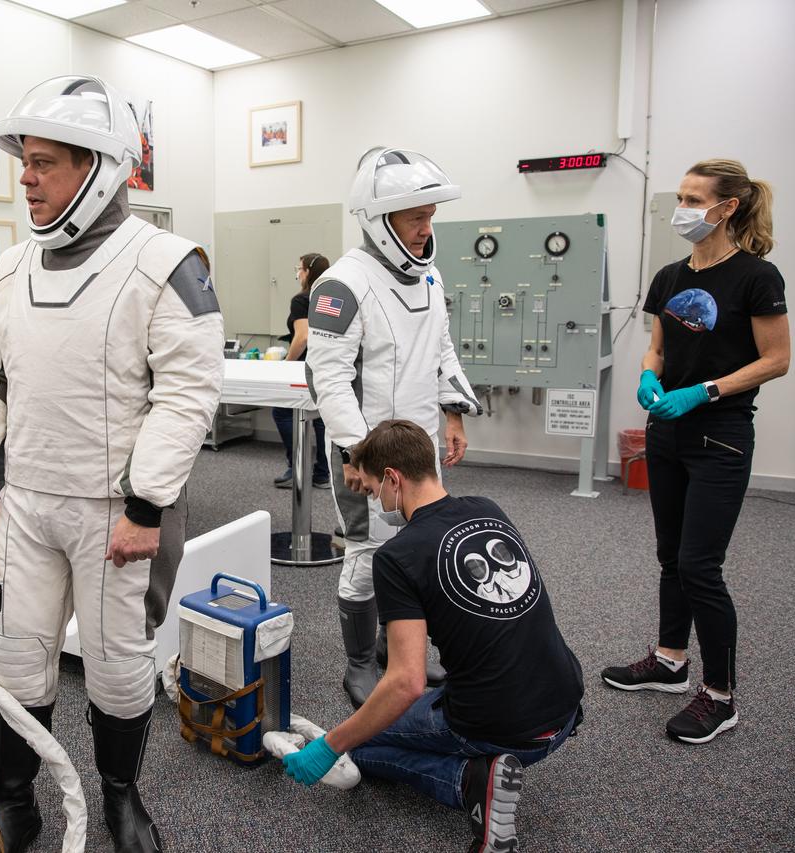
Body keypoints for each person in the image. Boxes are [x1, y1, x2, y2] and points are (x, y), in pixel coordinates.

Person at [0, 75, 224, 853]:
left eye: (41, 162)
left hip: (116, 514)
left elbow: (188, 393)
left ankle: (121, 797)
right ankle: (16, 796)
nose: (25, 178)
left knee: (117, 668)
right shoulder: (14, 270)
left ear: (98, 168)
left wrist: (145, 508)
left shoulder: (166, 263)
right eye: (22, 162)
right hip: (28, 502)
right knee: (18, 656)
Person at [281, 419, 584, 853]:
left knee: (358, 749)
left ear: (392, 478)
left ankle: (472, 782)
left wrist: (330, 745)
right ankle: (481, 765)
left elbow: (406, 682)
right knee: (377, 723)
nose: (374, 501)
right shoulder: (487, 507)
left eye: (371, 490)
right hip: (565, 704)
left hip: (503, 724)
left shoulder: (397, 557)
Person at [601, 159, 788, 744]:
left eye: (692, 198)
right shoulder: (670, 275)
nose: (681, 208)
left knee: (702, 567)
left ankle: (721, 695)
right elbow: (657, 345)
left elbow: (776, 359)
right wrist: (649, 378)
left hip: (721, 436)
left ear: (727, 208)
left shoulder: (757, 276)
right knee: (671, 557)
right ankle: (669, 661)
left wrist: (703, 389)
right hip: (667, 432)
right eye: (679, 196)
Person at [306, 147, 482, 708]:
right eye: (415, 217)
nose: (426, 228)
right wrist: (358, 456)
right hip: (365, 454)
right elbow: (327, 378)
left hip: (420, 446)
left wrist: (451, 412)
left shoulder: (429, 276)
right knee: (365, 554)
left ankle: (395, 651)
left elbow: (442, 348)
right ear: (380, 221)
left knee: (416, 548)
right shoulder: (341, 284)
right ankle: (359, 664)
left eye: (430, 215)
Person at [271, 252, 331, 489]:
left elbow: (303, 336)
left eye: (299, 268)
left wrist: (287, 362)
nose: (297, 273)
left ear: (307, 272)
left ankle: (296, 467)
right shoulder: (329, 297)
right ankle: (323, 473)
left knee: (282, 412)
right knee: (320, 419)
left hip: (303, 367)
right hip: (325, 365)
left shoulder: (302, 299)